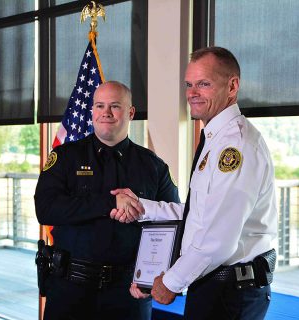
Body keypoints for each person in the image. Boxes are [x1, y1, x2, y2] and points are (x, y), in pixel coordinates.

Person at [111, 47, 278, 320]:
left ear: (232, 86)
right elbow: (200, 213)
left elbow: (217, 240)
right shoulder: (216, 137)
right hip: (215, 286)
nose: (192, 93)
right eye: (189, 85)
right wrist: (143, 207)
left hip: (230, 294)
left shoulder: (234, 146)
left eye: (204, 84)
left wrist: (170, 282)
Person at [34, 81, 180, 320]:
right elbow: (46, 209)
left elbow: (170, 223)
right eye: (100, 105)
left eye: (115, 106)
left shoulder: (153, 166)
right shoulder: (65, 158)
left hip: (129, 291)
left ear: (131, 113)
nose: (106, 112)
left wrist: (153, 276)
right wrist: (110, 203)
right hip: (71, 288)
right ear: (92, 110)